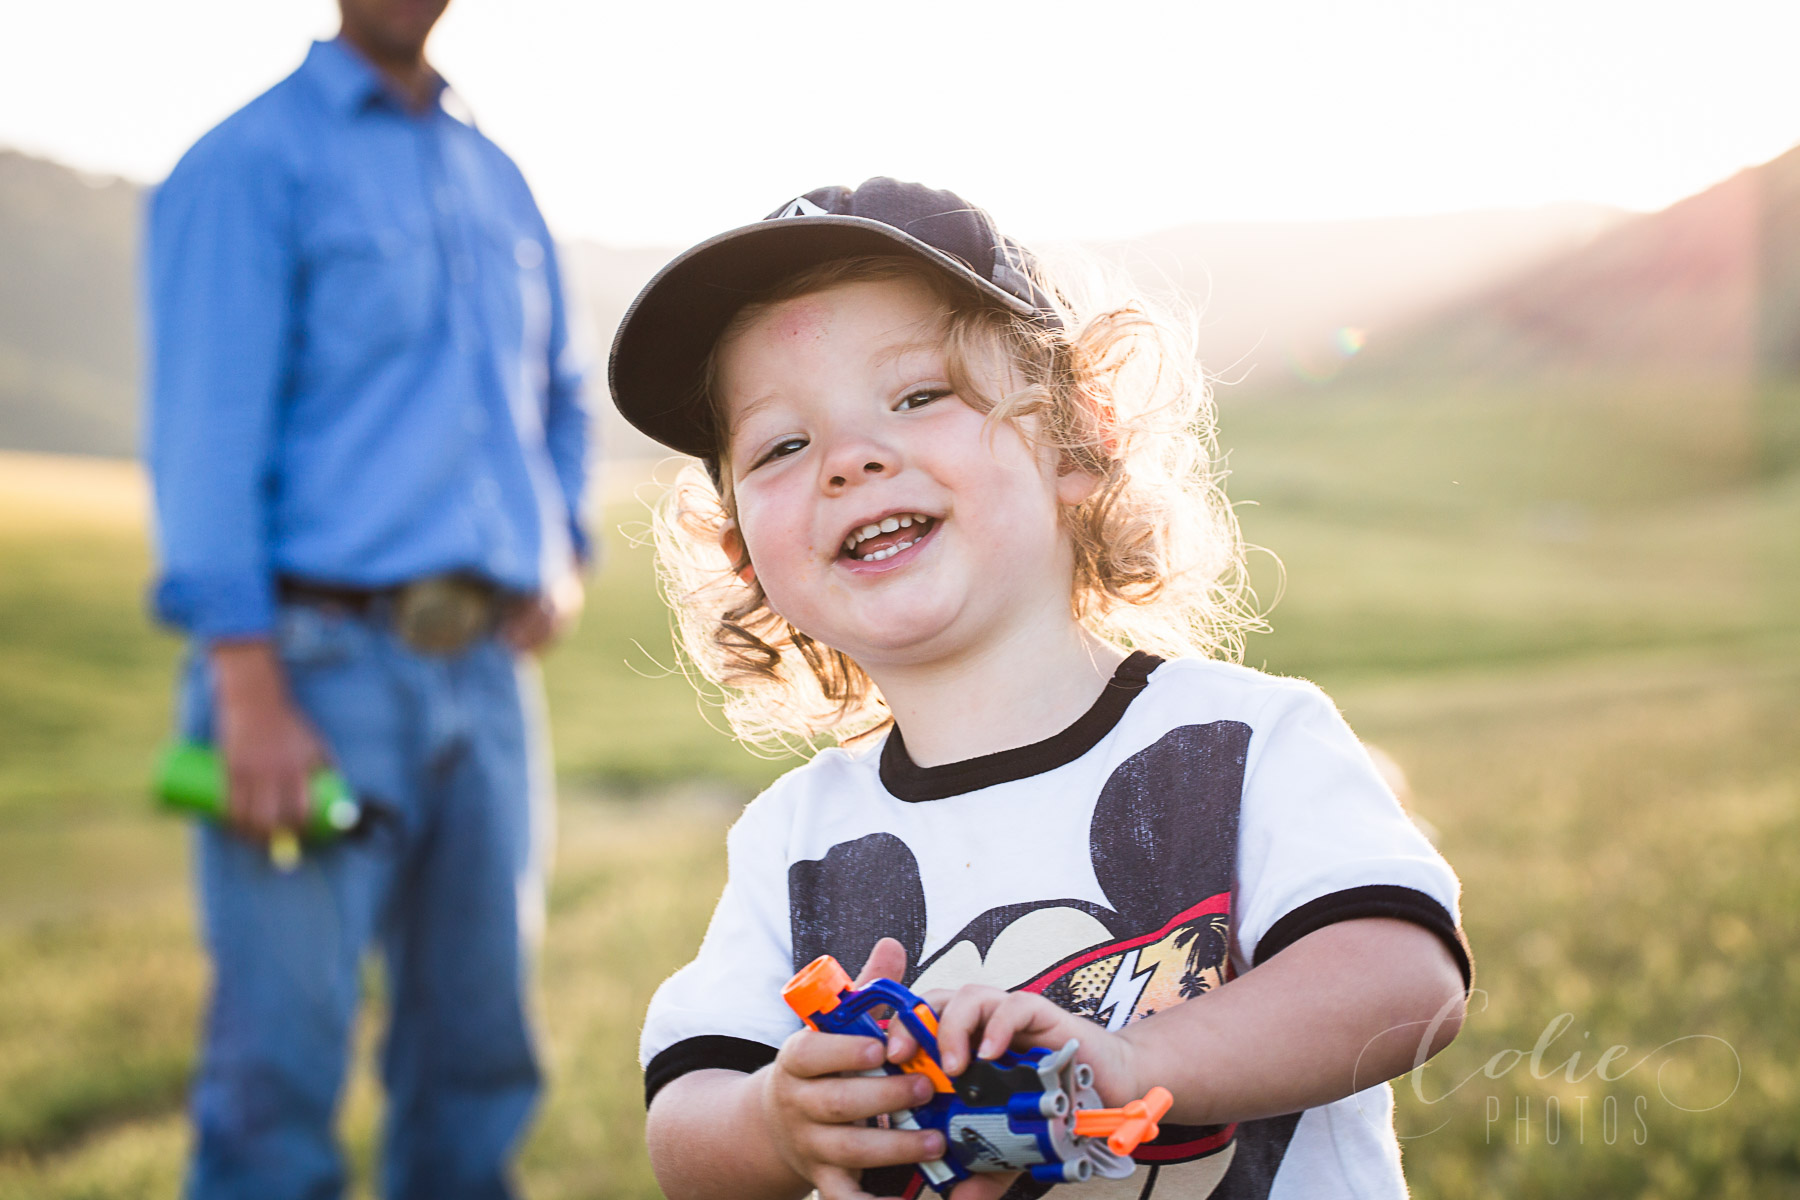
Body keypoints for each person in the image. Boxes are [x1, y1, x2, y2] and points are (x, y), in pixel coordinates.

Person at [610, 178, 1472, 1200]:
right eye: (783, 446)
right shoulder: (794, 843)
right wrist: (776, 1121)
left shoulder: (1243, 743)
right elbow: (685, 1127)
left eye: (920, 395)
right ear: (745, 554)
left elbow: (1402, 979)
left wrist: (1131, 1065)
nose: (849, 459)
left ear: (1077, 437)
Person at [142, 1, 589, 1196]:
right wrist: (246, 682)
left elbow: (559, 392)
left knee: (479, 1061)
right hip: (310, 672)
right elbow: (204, 436)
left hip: (486, 680)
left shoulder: (495, 174)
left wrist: (565, 548)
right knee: (276, 1082)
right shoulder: (244, 166)